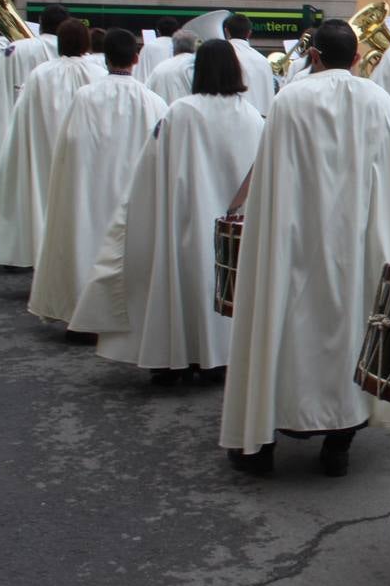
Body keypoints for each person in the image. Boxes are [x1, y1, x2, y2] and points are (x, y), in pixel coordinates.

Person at [219, 20, 390, 477]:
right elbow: (389, 184)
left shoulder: (290, 100)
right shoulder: (379, 101)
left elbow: (270, 183)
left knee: (283, 327)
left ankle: (262, 439)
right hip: (356, 243)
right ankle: (339, 442)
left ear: (317, 56)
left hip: (295, 240)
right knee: (349, 329)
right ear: (355, 58)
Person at [70, 40, 265, 383]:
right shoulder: (253, 117)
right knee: (223, 283)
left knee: (180, 283)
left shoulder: (181, 112)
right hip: (233, 225)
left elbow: (152, 170)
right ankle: (219, 356)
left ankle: (174, 354)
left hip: (184, 217)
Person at [28, 29, 168, 327]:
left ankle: (78, 309)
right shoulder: (154, 101)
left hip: (88, 186)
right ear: (135, 58)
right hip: (131, 190)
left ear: (105, 57)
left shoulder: (85, 97)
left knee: (83, 239)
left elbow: (68, 146)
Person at [0, 20, 105, 267]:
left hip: (43, 152)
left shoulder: (40, 75)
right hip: (84, 156)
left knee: (44, 202)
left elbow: (22, 119)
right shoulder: (99, 74)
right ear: (86, 43)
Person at [0, 3, 64, 222]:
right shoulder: (73, 53)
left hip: (24, 129)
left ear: (41, 24)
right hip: (60, 129)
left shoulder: (19, 48)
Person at [223, 13, 274, 116]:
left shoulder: (222, 55)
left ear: (226, 31)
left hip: (230, 119)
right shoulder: (263, 60)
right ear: (249, 33)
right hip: (259, 122)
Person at [145, 29, 198, 105]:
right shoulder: (197, 65)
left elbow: (148, 93)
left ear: (173, 46)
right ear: (194, 46)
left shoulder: (159, 68)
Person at [133, 16, 179, 82]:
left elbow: (139, 72)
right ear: (177, 31)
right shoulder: (179, 47)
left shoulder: (148, 46)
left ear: (158, 31)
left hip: (149, 89)